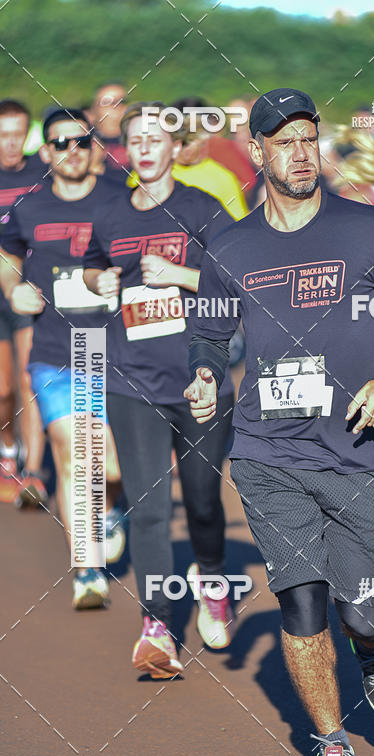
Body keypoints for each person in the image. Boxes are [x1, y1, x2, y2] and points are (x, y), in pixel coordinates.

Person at [185, 88, 374, 756]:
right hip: (269, 454)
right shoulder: (231, 245)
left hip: (357, 448)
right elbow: (209, 331)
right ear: (258, 150)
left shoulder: (367, 228)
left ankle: (373, 646)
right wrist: (206, 372)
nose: (301, 153)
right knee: (300, 599)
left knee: (363, 607)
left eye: (309, 138)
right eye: (284, 141)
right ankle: (332, 747)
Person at [83, 102, 236, 678]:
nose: (145, 147)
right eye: (135, 139)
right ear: (126, 151)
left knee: (200, 501)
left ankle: (213, 580)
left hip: (199, 379)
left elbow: (235, 287)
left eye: (156, 138)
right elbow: (96, 269)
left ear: (177, 148)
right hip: (132, 378)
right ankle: (158, 626)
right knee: (149, 508)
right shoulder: (109, 213)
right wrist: (98, 278)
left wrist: (180, 276)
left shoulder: (204, 210)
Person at [0, 107, 125, 607]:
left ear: (93, 147)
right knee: (75, 457)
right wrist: (13, 289)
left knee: (110, 465)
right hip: (57, 350)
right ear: (45, 152)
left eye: (81, 141)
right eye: (60, 142)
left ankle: (111, 509)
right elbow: (7, 258)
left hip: (117, 350)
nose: (71, 151)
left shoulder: (120, 201)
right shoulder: (28, 207)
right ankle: (86, 570)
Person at [0, 99, 46, 505]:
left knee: (30, 380)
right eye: (4, 136)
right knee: (3, 389)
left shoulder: (39, 172)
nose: (12, 144)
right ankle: (8, 448)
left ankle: (32, 472)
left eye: (18, 134)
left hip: (28, 290)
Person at [88, 83, 129, 186]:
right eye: (108, 102)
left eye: (122, 101)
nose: (117, 107)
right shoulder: (84, 145)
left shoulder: (144, 140)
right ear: (93, 111)